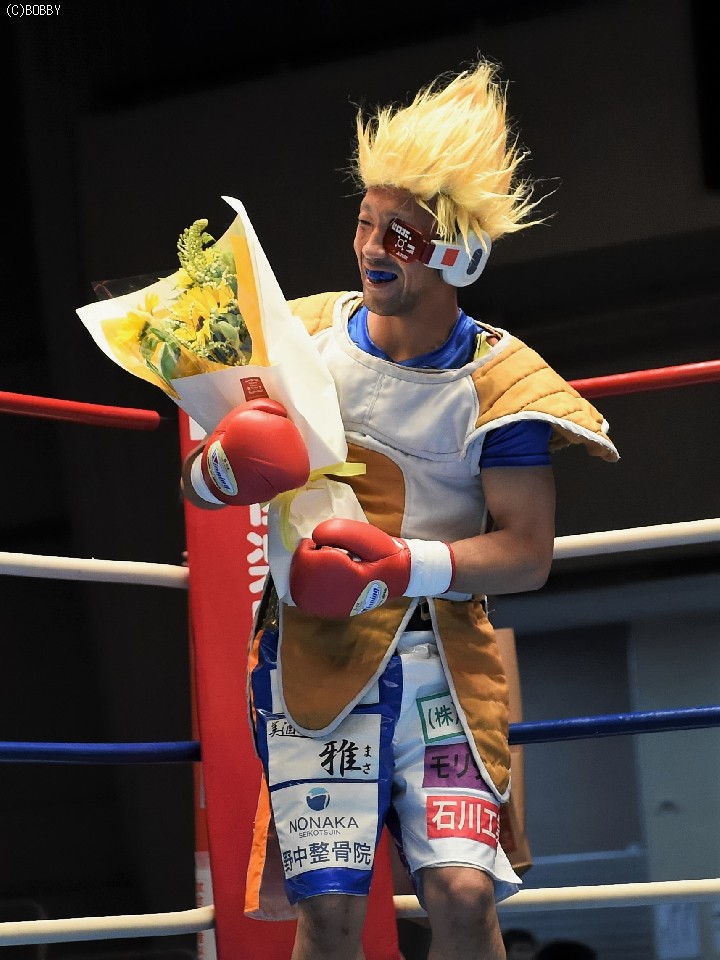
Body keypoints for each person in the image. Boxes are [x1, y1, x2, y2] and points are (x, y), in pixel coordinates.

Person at [182, 58, 618, 960]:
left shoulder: (501, 381)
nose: (373, 248)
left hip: (442, 660)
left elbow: (528, 552)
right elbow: (196, 479)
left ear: (457, 254)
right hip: (315, 655)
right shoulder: (297, 336)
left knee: (462, 893)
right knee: (331, 913)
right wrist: (220, 471)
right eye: (366, 222)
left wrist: (401, 564)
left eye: (401, 234)